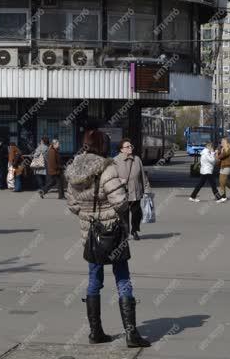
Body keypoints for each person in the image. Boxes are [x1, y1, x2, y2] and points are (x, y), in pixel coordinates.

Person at [66, 129, 150, 348]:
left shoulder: (74, 170)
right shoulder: (107, 168)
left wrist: (87, 213)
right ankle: (131, 335)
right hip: (112, 232)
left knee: (94, 279)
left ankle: (96, 332)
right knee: (122, 277)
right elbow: (121, 202)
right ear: (102, 146)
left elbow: (72, 204)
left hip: (90, 235)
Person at [113, 138, 151, 241]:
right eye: (127, 146)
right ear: (121, 149)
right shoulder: (115, 161)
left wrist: (147, 190)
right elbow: (112, 177)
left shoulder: (137, 159)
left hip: (136, 191)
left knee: (136, 213)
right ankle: (125, 233)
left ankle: (134, 230)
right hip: (122, 192)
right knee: (124, 214)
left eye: (131, 146)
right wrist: (120, 180)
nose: (130, 148)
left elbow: (143, 176)